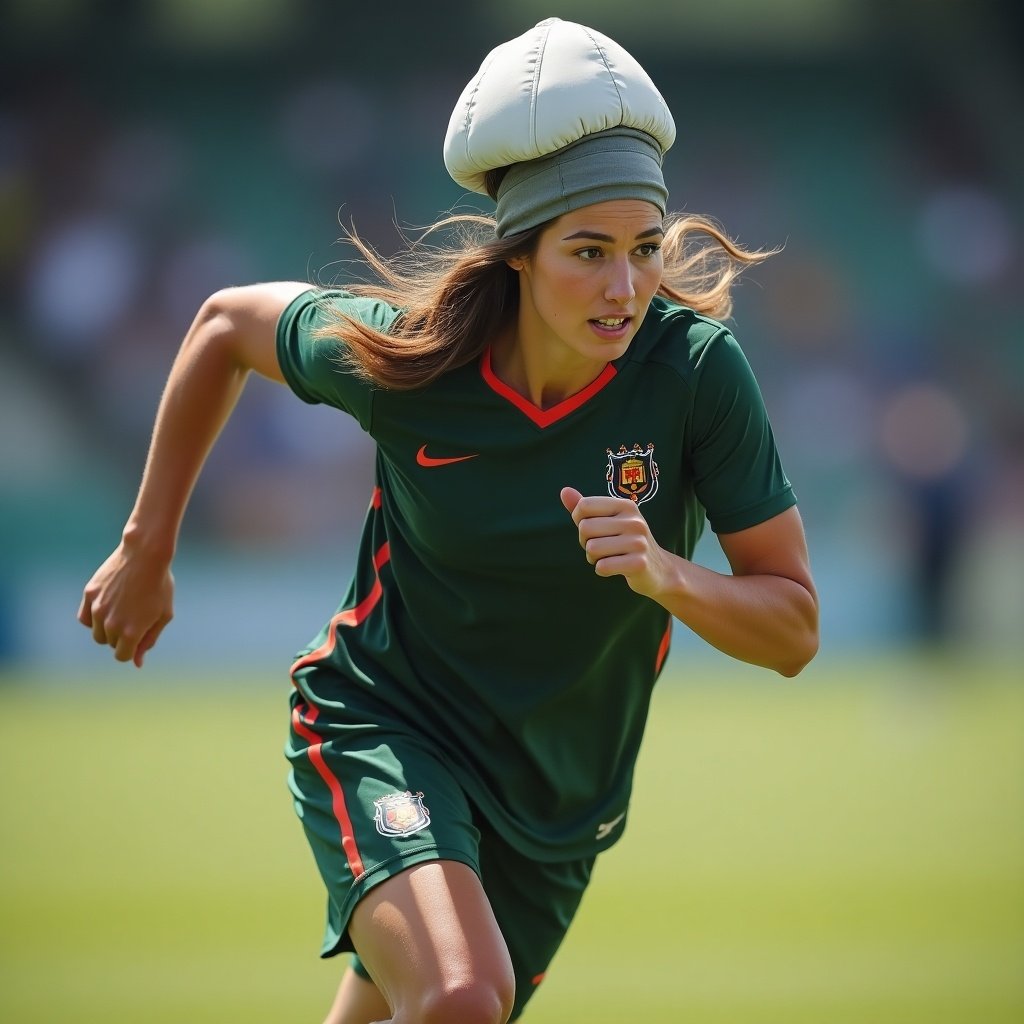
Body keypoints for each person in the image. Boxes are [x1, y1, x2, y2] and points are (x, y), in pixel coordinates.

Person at [78, 17, 819, 1024]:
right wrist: (146, 547)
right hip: (387, 721)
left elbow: (791, 630)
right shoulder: (411, 360)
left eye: (644, 249)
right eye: (587, 251)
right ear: (519, 253)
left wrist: (665, 574)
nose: (624, 286)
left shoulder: (694, 376)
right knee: (462, 996)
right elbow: (222, 327)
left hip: (558, 806)